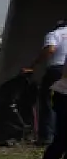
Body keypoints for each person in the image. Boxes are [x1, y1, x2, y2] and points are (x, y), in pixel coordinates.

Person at [27, 19, 67, 148]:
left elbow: (50, 49)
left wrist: (34, 64)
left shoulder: (55, 34)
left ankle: (47, 137)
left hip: (57, 70)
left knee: (48, 101)